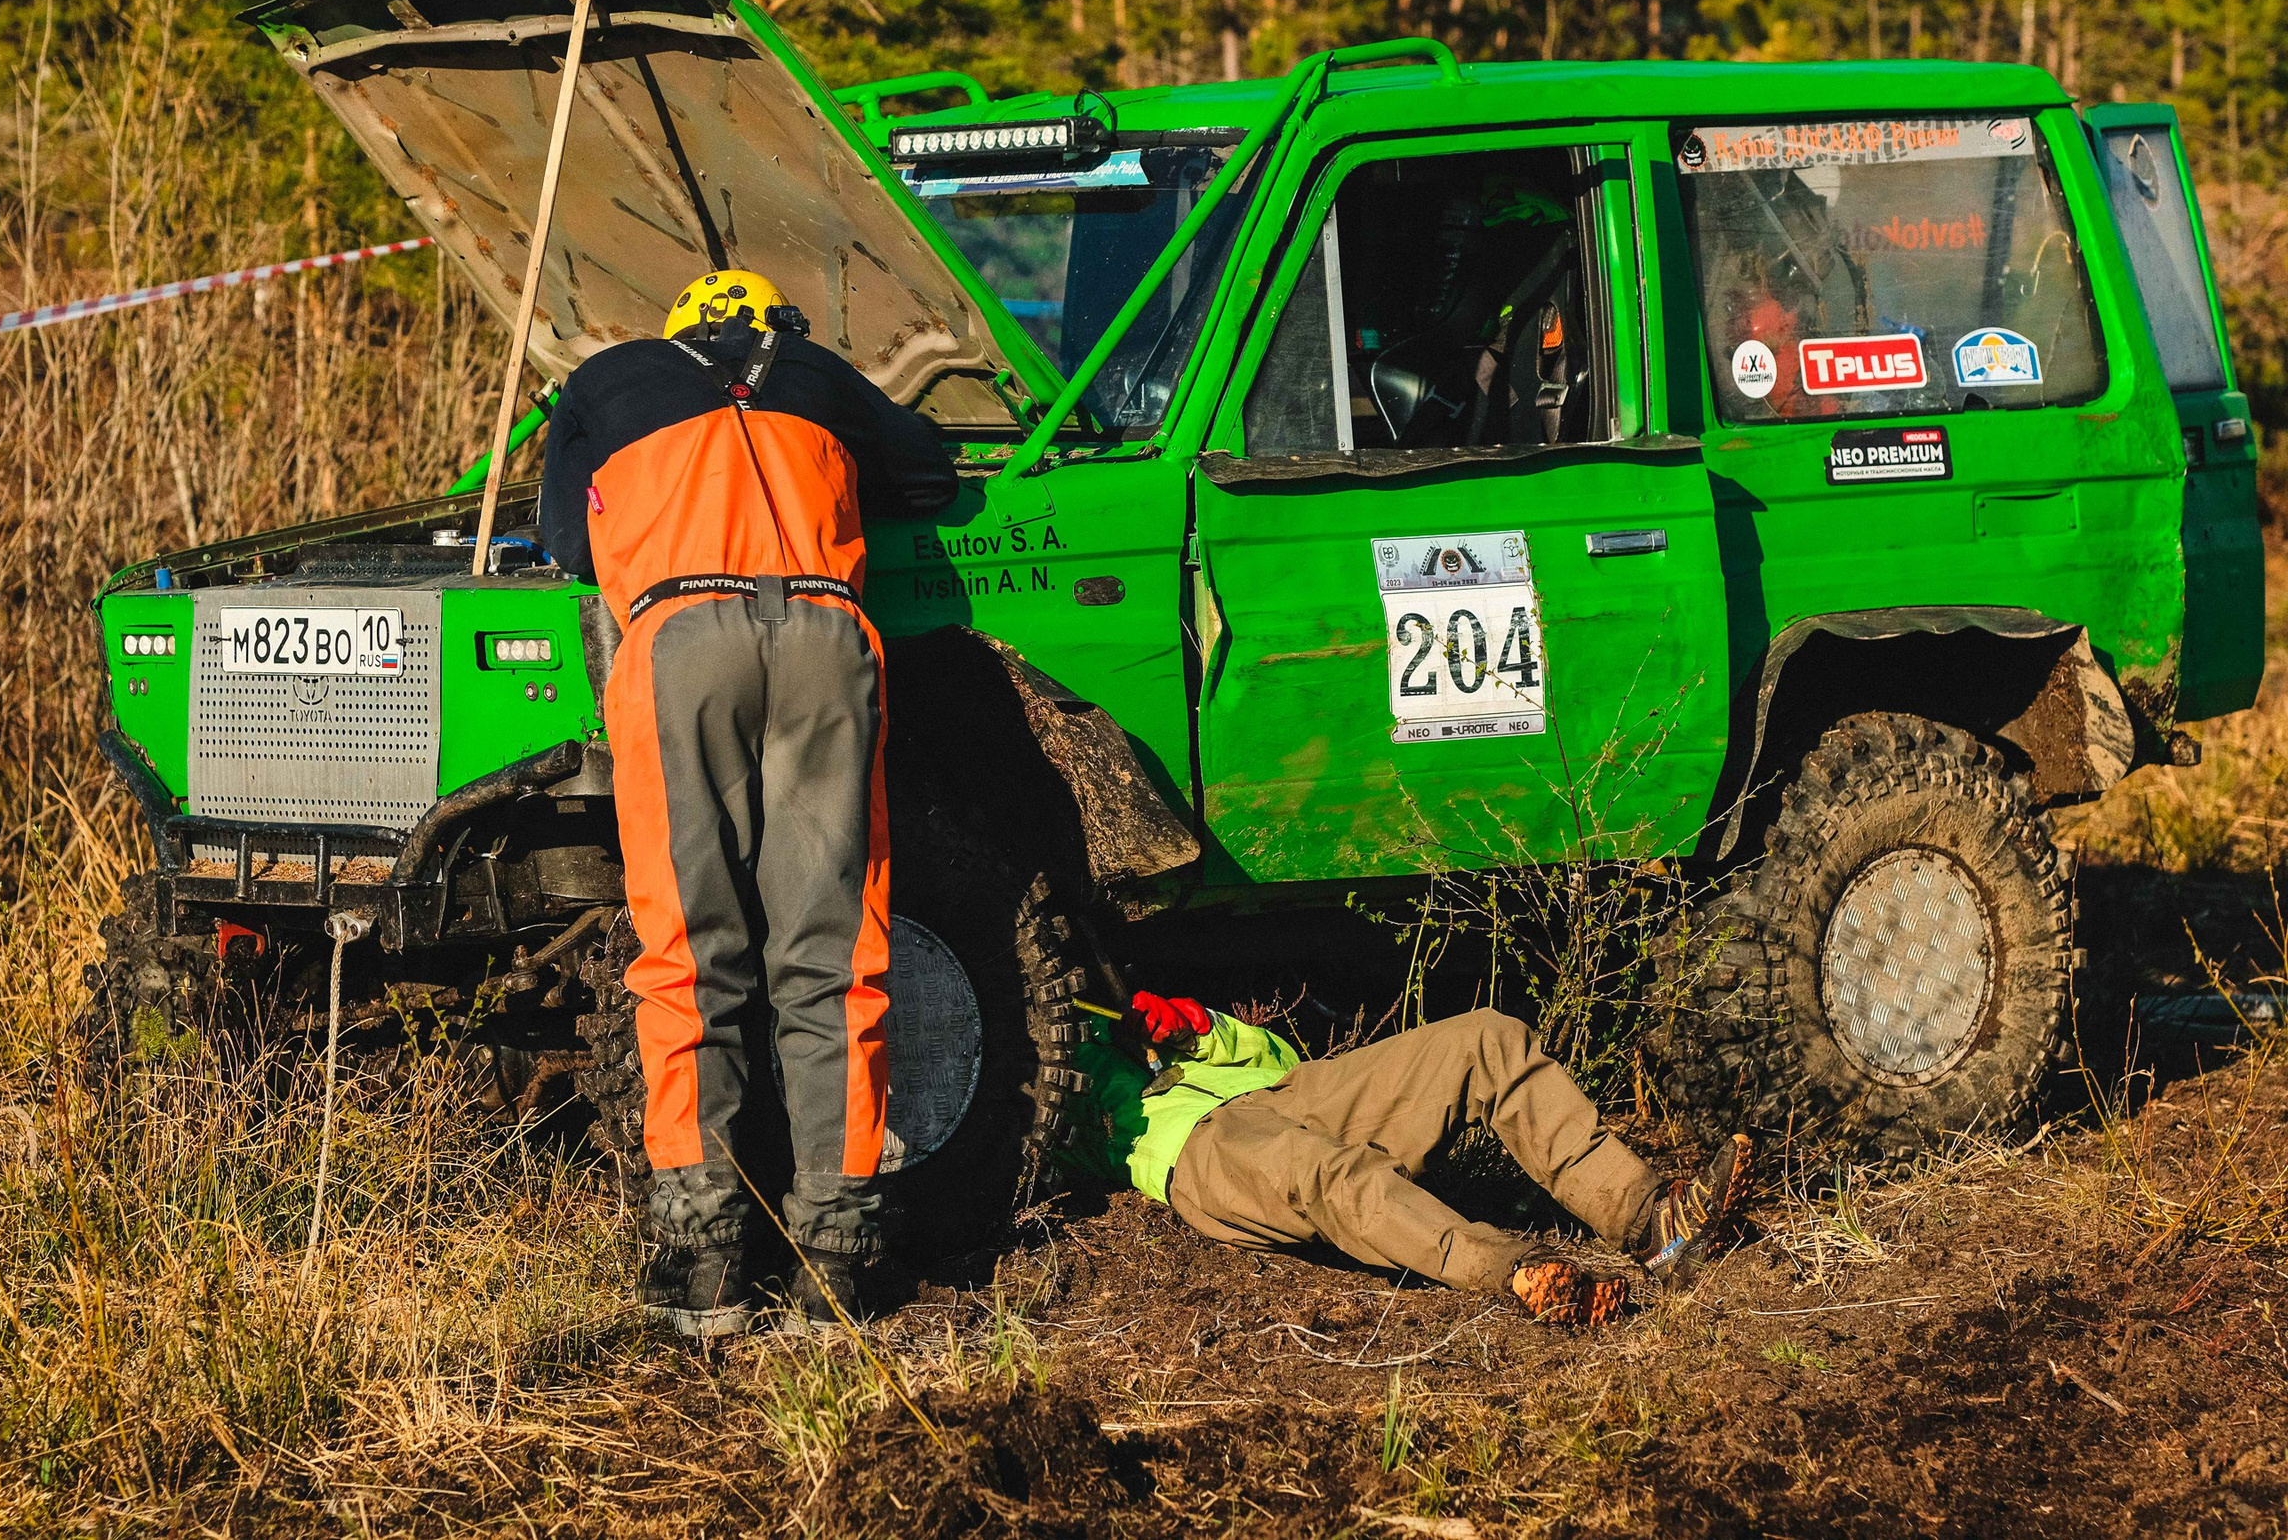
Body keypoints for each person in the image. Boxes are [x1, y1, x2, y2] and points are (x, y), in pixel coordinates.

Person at [538, 269, 959, 1337]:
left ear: (678, 327)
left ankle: (707, 1260)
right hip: (825, 638)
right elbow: (930, 474)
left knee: (689, 951)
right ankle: (839, 1258)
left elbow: (567, 542)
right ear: (774, 326)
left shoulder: (604, 381)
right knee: (834, 952)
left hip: (680, 645)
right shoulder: (818, 375)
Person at [1059, 993, 1753, 1325]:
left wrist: (1202, 1029)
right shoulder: (1029, 1051)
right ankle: (1516, 1271)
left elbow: (1279, 1057)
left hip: (1290, 1090)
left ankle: (1654, 1222)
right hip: (1199, 1149)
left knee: (1486, 1038)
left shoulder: (1093, 992)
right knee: (1330, 1174)